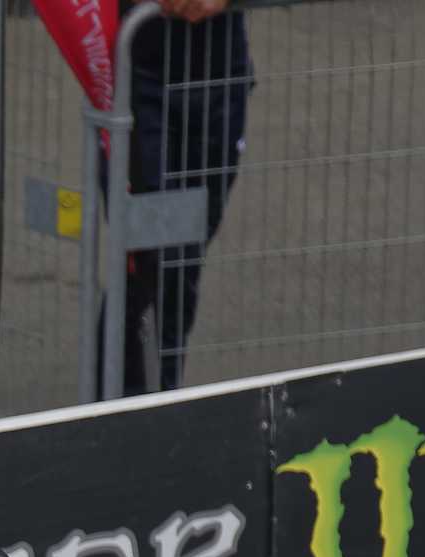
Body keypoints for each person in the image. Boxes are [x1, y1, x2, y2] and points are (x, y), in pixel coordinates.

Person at [119, 0, 254, 395]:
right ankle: (128, 398)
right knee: (152, 252)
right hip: (142, 77)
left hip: (221, 81)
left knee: (186, 255)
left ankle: (157, 396)